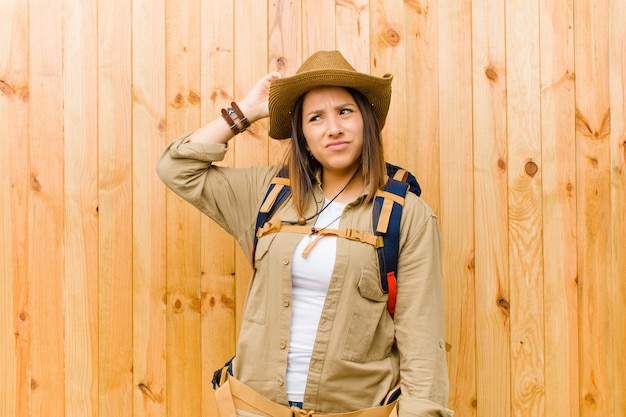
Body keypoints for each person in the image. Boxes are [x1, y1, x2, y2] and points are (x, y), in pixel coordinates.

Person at [156, 50, 453, 417]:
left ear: (367, 121)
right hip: (256, 407)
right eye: (316, 118)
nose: (333, 128)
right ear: (302, 136)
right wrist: (246, 111)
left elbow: (421, 339)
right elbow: (176, 167)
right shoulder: (267, 194)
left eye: (345, 111)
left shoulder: (408, 216)